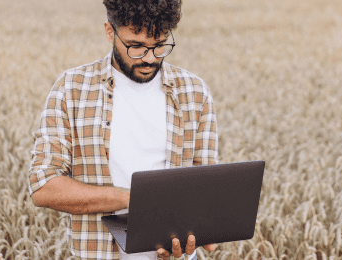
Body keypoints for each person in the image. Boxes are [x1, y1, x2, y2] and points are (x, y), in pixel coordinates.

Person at [27, 0, 219, 259]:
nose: (150, 58)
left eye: (160, 45)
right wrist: (134, 199)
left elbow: (204, 188)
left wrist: (197, 234)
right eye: (136, 46)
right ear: (110, 31)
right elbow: (44, 186)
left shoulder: (195, 92)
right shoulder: (71, 90)